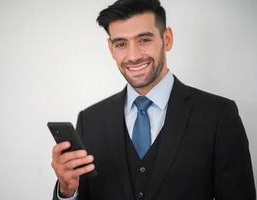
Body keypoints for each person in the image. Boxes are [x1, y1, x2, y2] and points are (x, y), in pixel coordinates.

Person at [51, 0, 256, 199]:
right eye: (121, 43)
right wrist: (67, 191)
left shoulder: (218, 115)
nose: (133, 56)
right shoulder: (90, 121)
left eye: (144, 40)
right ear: (111, 48)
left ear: (167, 39)